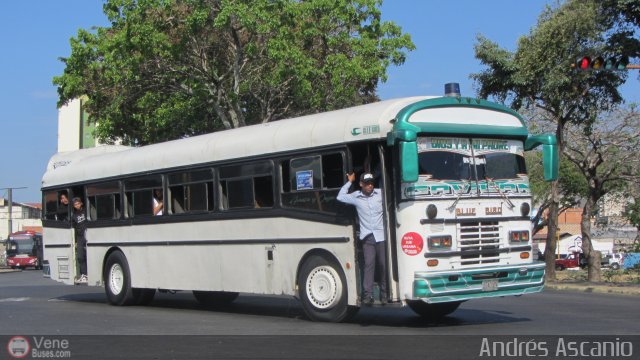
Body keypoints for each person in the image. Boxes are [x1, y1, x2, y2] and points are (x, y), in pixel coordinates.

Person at [337, 172, 387, 306]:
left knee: (383, 264)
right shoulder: (356, 196)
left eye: (371, 183)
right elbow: (340, 197)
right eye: (367, 183)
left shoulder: (381, 193)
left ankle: (384, 294)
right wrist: (349, 182)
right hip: (367, 238)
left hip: (381, 236)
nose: (370, 185)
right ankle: (367, 295)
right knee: (369, 265)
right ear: (361, 185)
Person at [71, 197, 88, 284]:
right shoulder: (74, 215)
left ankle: (87, 273)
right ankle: (83, 274)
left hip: (88, 235)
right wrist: (76, 241)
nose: (77, 205)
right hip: (80, 236)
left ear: (81, 203)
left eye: (78, 204)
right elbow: (73, 227)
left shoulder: (86, 211)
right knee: (80, 256)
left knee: (88, 255)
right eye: (75, 204)